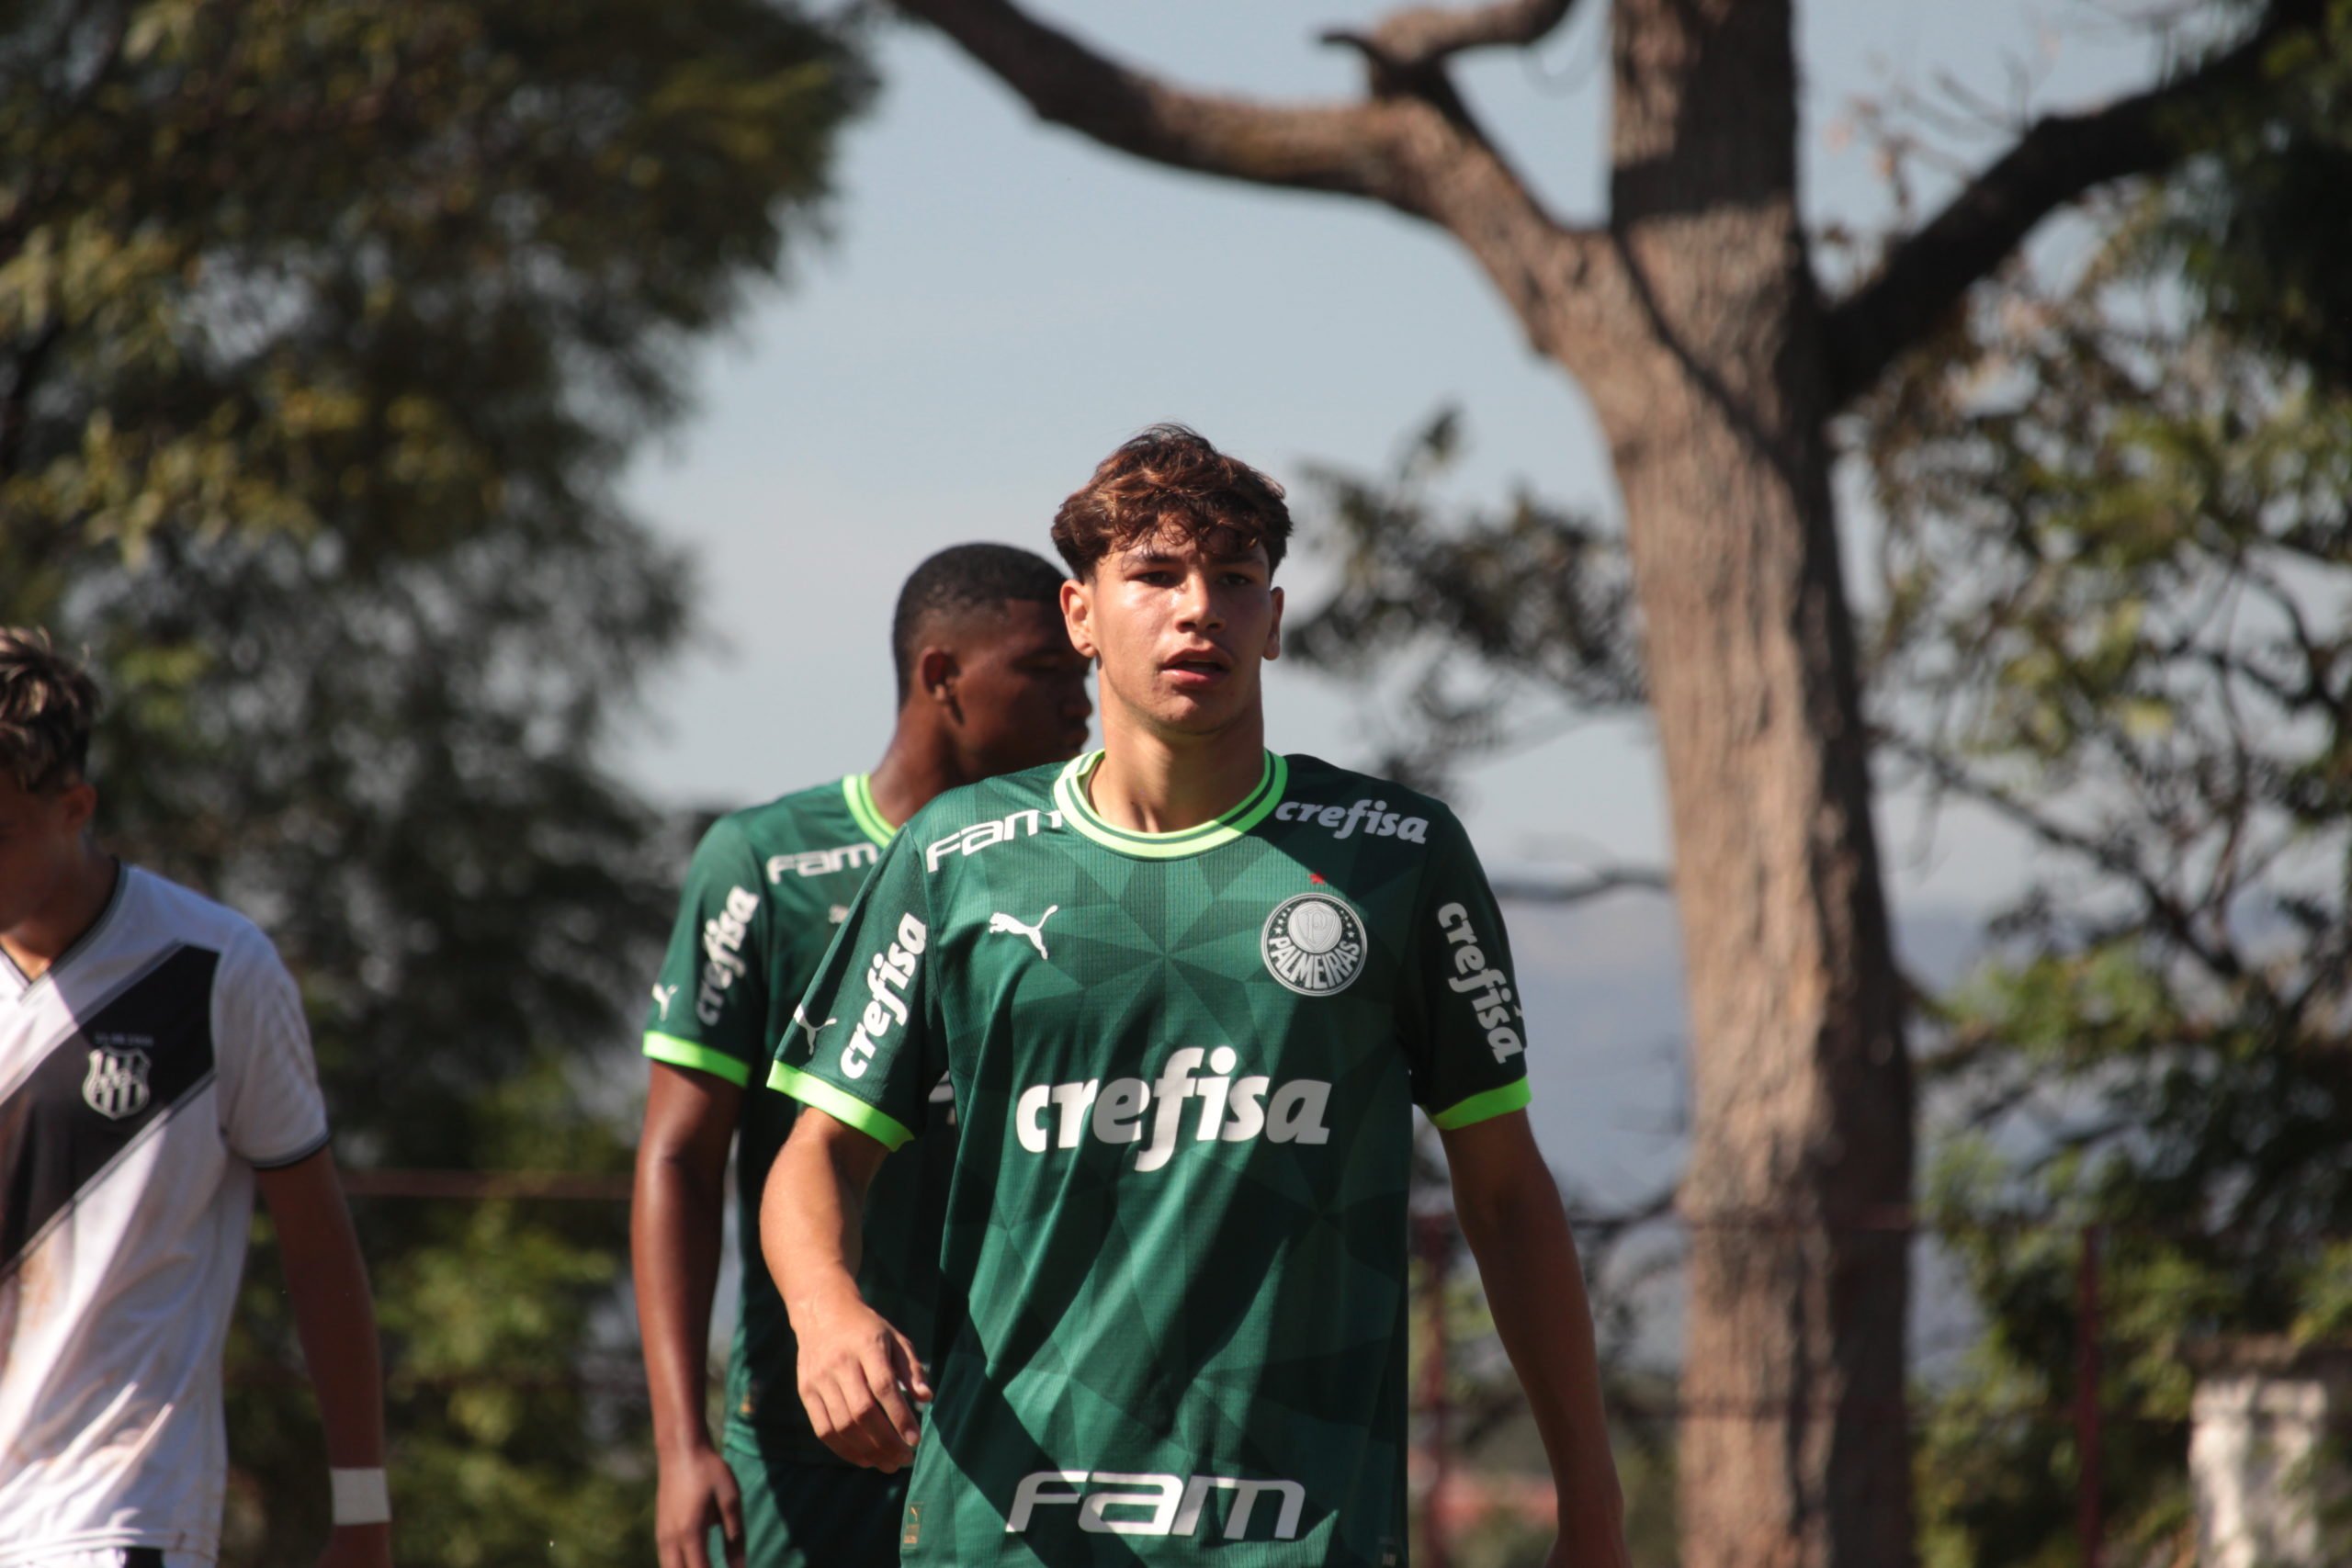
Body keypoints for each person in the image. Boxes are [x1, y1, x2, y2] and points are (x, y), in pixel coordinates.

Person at [762, 427, 1629, 1566]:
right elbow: (818, 1153)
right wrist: (825, 1313)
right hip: (1006, 1533)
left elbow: (1507, 1196)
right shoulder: (957, 857)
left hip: (1296, 1532)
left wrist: (1592, 1504)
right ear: (1080, 615)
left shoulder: (1398, 858)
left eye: (1233, 579)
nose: (1198, 610)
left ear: (1274, 620)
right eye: (1156, 575)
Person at [632, 543, 1094, 1568]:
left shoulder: (1080, 875)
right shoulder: (767, 864)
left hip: (1032, 1440)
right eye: (1045, 672)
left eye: (1086, 674)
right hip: (815, 1441)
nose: (1083, 705)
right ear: (942, 677)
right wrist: (678, 1444)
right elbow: (679, 1158)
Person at [0, 629, 392, 1568]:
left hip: (113, 1519)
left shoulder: (214, 970)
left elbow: (318, 1249)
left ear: (74, 808)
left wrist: (363, 1511)